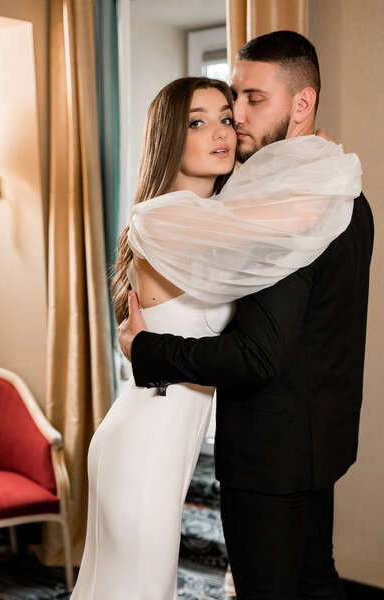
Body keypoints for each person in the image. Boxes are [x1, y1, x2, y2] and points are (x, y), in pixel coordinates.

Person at [118, 32, 374, 600]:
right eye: (236, 100)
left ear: (301, 105)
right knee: (317, 582)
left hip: (270, 455)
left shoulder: (284, 208)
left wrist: (147, 349)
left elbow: (257, 355)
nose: (237, 119)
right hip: (322, 442)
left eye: (254, 99)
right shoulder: (344, 190)